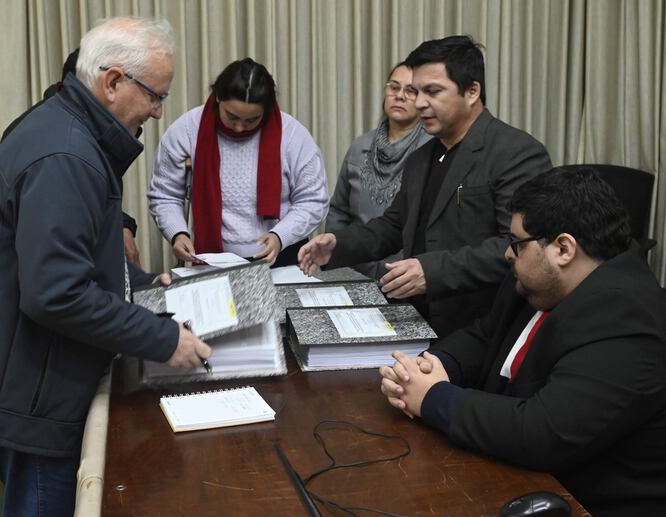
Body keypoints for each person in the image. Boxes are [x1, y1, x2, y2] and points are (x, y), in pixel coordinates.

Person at [0, 17, 212, 517]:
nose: (160, 112)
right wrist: (166, 339)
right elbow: (56, 293)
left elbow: (77, 253)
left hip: (24, 374)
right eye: (155, 96)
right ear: (113, 81)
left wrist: (138, 284)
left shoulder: (69, 129)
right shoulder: (67, 154)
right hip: (30, 392)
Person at [380, 167, 666, 517]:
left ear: (563, 248)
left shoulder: (628, 317)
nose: (507, 254)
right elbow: (486, 335)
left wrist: (432, 397)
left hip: (580, 502)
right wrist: (437, 365)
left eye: (516, 242)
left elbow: (542, 432)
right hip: (512, 475)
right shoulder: (541, 281)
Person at [299, 36, 552, 338]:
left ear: (472, 91)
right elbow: (394, 226)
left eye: (432, 91)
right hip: (413, 317)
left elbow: (515, 247)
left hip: (480, 326)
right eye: (417, 92)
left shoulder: (516, 152)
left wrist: (431, 272)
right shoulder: (421, 158)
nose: (419, 103)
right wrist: (339, 245)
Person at [148, 58, 329, 267]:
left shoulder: (293, 136)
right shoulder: (187, 130)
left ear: (267, 109)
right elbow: (165, 195)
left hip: (281, 255)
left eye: (252, 119)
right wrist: (177, 233)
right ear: (217, 98)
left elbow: (314, 199)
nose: (240, 127)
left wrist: (281, 235)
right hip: (213, 258)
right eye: (232, 116)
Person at [1, 47, 146, 274]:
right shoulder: (58, 146)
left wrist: (122, 224)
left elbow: (93, 192)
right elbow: (58, 281)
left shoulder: (83, 128)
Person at [326, 63, 431, 279]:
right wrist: (339, 259)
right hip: (356, 271)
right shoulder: (360, 146)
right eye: (394, 87)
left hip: (406, 276)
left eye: (410, 91)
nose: (399, 96)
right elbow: (338, 210)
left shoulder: (431, 151)